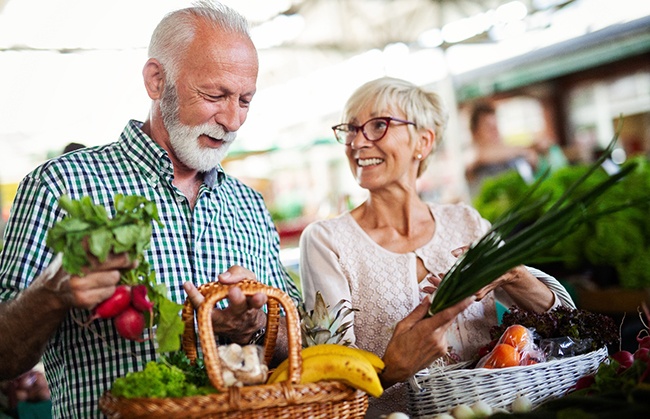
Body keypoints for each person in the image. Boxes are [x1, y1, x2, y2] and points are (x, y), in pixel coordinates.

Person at [0, 2, 300, 418]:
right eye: (215, 95)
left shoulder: (248, 204)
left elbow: (302, 343)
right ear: (157, 80)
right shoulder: (60, 187)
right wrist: (50, 294)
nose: (232, 120)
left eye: (245, 100)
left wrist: (259, 326)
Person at [299, 77, 575, 417]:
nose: (357, 142)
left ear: (423, 141)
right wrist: (390, 371)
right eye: (351, 129)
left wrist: (514, 275)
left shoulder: (466, 223)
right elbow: (329, 384)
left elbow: (566, 322)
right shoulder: (327, 241)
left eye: (378, 125)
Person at [465, 101, 541, 197]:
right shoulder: (471, 155)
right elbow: (481, 156)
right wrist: (525, 151)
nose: (495, 131)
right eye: (489, 127)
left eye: (496, 126)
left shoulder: (508, 154)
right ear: (475, 132)